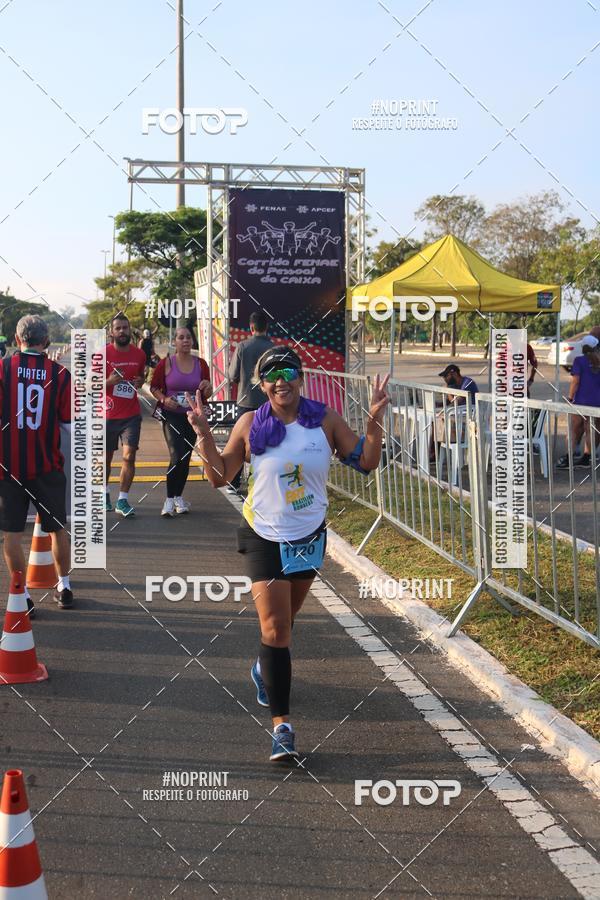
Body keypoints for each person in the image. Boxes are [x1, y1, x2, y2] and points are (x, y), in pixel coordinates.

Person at [187, 346, 390, 762]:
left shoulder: (325, 421)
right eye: (271, 374)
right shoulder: (249, 424)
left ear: (302, 378)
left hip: (308, 537)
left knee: (286, 625)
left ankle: (264, 668)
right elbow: (219, 476)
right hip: (263, 534)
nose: (281, 380)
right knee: (277, 629)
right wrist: (204, 435)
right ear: (262, 385)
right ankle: (283, 728)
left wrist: (375, 418)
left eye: (289, 371)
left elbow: (367, 461)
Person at [0, 315, 73, 612]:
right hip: (47, 466)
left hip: (8, 467)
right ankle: (64, 586)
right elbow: (68, 423)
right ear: (46, 342)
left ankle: (22, 595)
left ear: (18, 340)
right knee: (57, 529)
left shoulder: (3, 369)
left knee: (12, 534)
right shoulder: (60, 374)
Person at [150, 326, 211, 516]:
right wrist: (164, 399)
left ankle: (178, 497)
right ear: (174, 342)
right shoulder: (166, 363)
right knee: (176, 454)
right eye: (181, 338)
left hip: (193, 417)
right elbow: (154, 387)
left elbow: (207, 392)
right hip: (172, 415)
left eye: (188, 338)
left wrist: (207, 387)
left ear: (193, 341)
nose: (185, 341)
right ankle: (169, 500)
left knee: (185, 457)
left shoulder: (201, 364)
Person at [227, 311, 274, 494]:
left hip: (245, 401)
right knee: (268, 443)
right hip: (268, 402)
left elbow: (233, 375)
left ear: (251, 327)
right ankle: (263, 480)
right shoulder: (273, 348)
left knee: (240, 442)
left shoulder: (242, 346)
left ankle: (234, 482)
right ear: (266, 327)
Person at [105, 312, 147, 517]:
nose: (122, 331)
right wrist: (108, 383)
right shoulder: (102, 355)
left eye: (125, 327)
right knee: (105, 459)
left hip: (131, 415)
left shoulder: (139, 354)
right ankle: (104, 493)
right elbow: (87, 386)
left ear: (130, 330)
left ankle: (122, 500)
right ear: (112, 332)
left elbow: (141, 376)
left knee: (129, 457)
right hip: (106, 415)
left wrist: (140, 382)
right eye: (118, 328)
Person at [557, 335, 600, 469]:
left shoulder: (579, 361)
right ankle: (587, 458)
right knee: (593, 430)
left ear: (583, 347)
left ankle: (569, 457)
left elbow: (576, 381)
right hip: (597, 401)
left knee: (574, 429)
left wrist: (570, 397)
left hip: (581, 400)